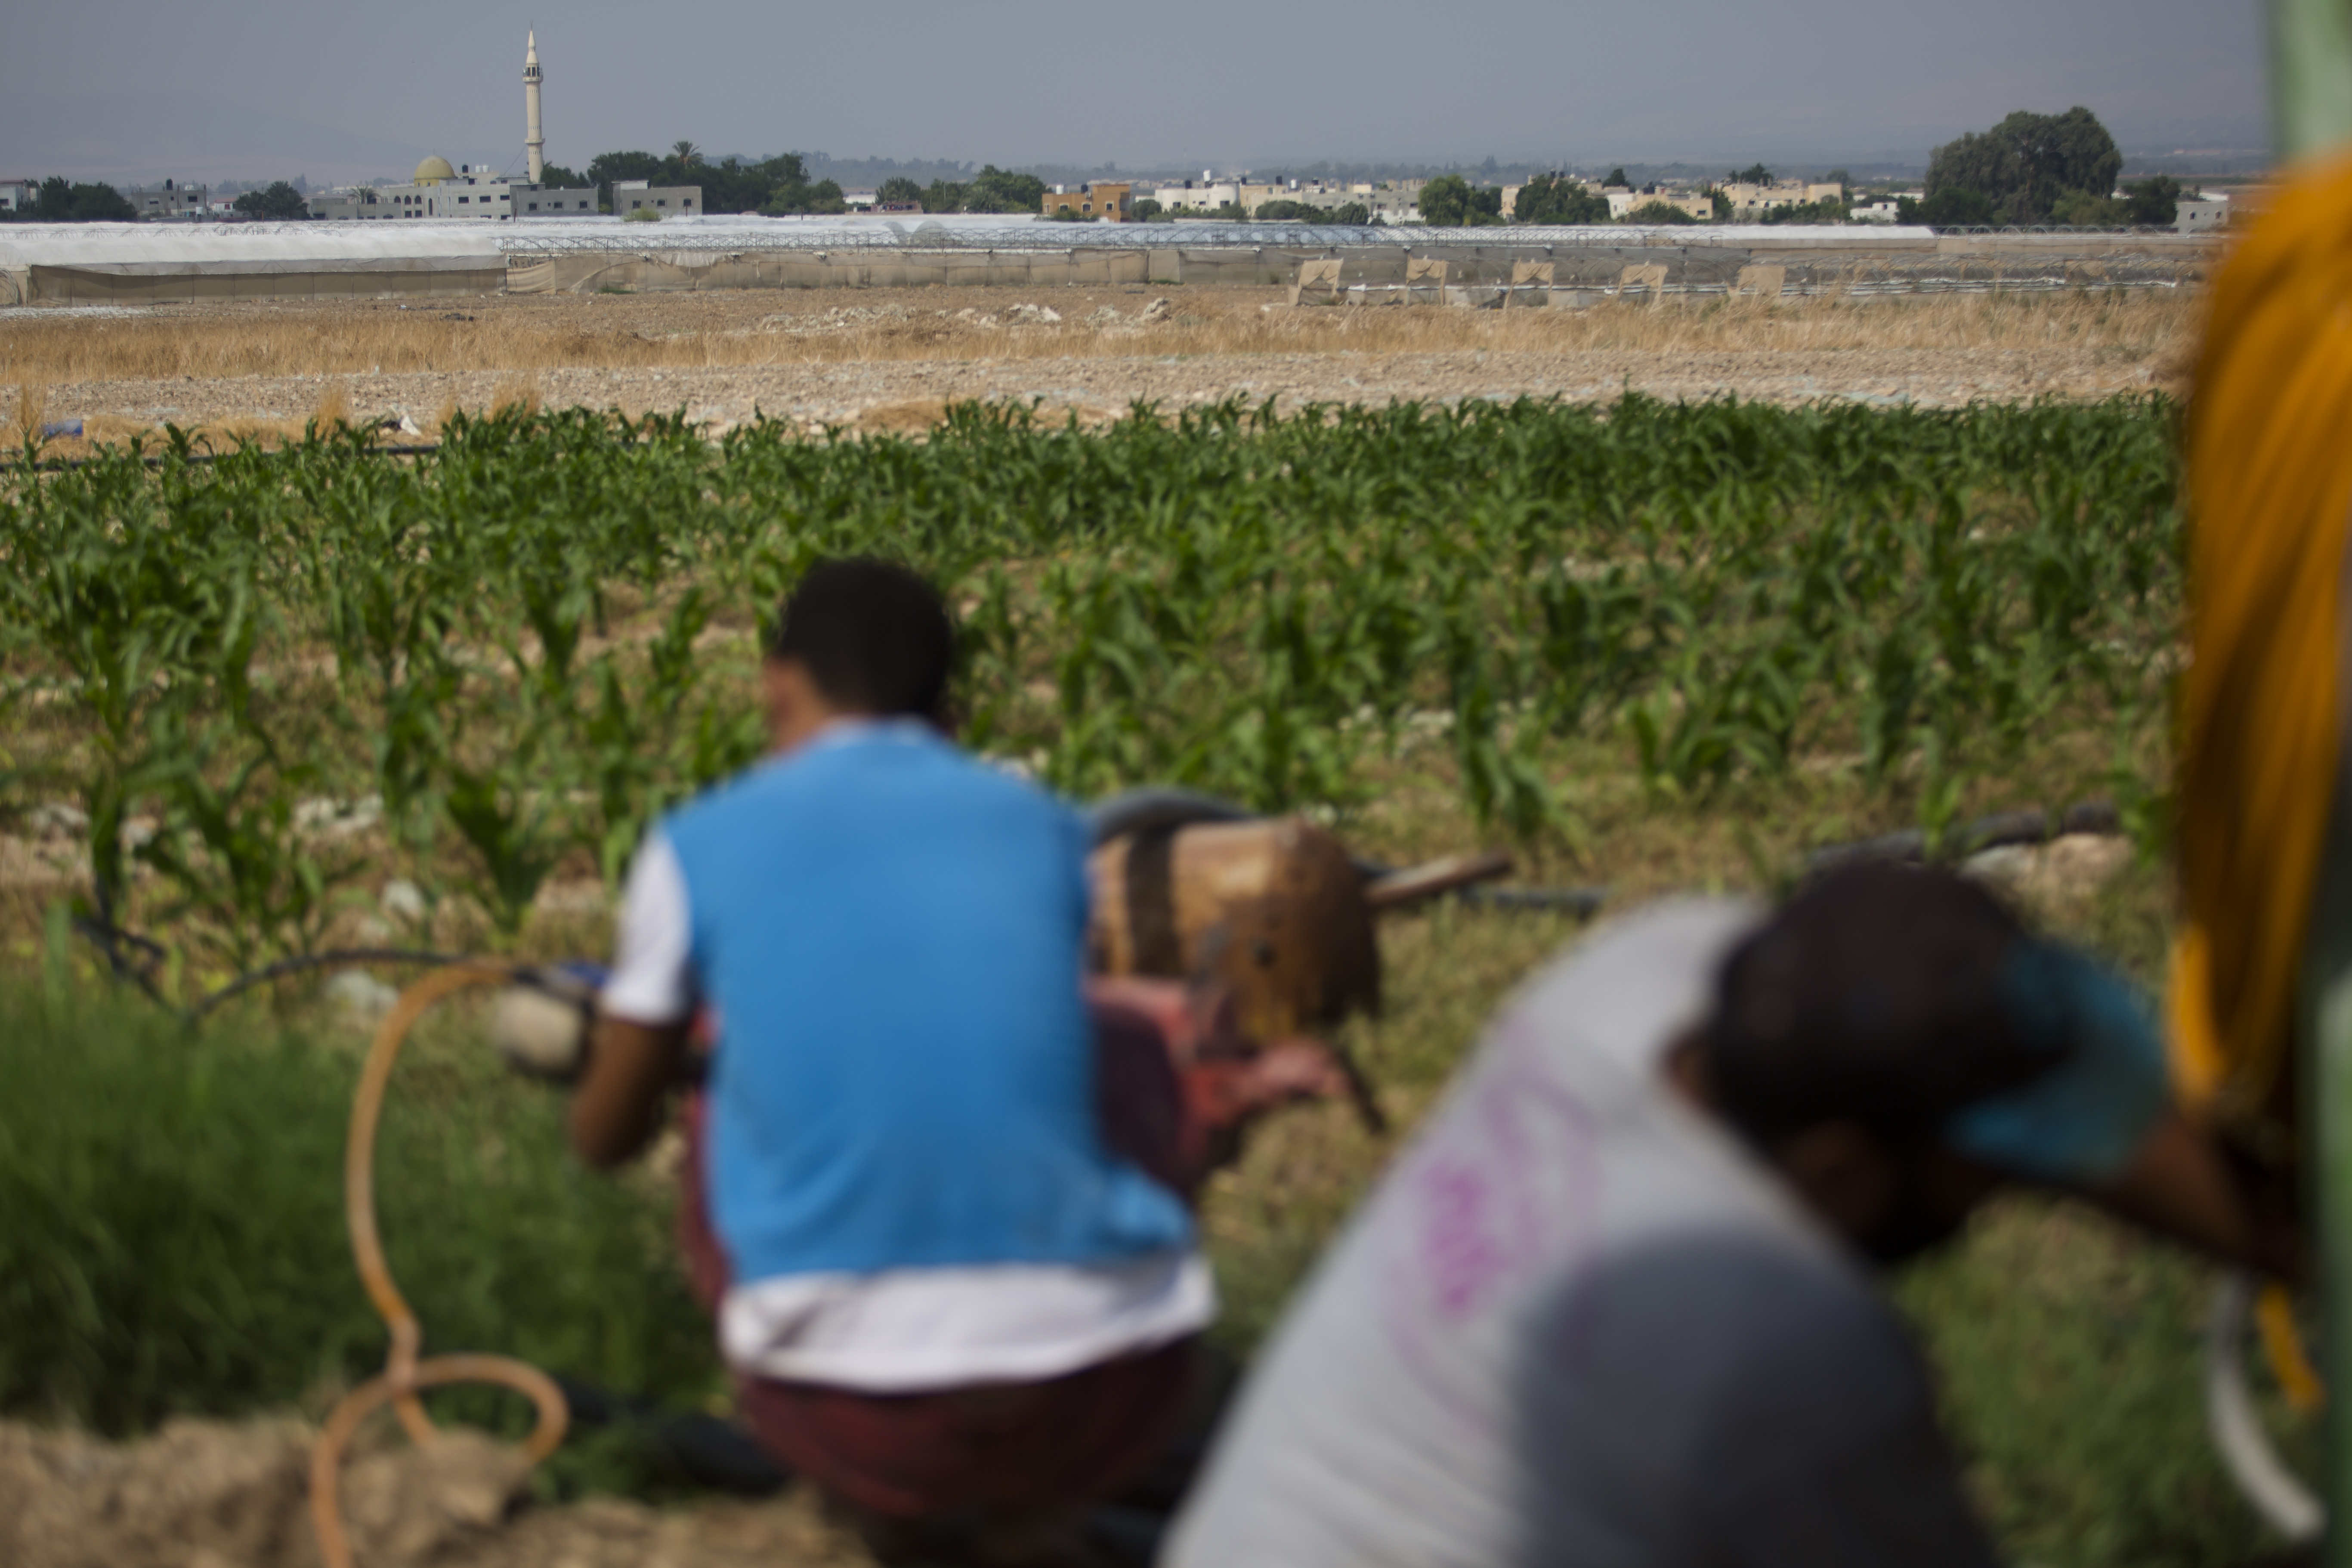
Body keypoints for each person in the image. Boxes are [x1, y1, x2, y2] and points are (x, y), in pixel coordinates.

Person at [1165, 866, 2287, 1568]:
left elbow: (2075, 1127)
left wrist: (2298, 1244)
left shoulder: (1624, 985)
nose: (2002, 1194)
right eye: (1978, 1172)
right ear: (1843, 1169)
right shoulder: (1786, 1355)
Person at [567, 559, 1212, 1543]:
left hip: (846, 1406)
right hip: (1105, 1384)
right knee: (1110, 1037)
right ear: (950, 716)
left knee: (719, 1073)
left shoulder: (698, 844)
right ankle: (1038, 1518)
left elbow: (608, 1137)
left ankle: (882, 1510)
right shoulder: (1041, 829)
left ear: (776, 684)